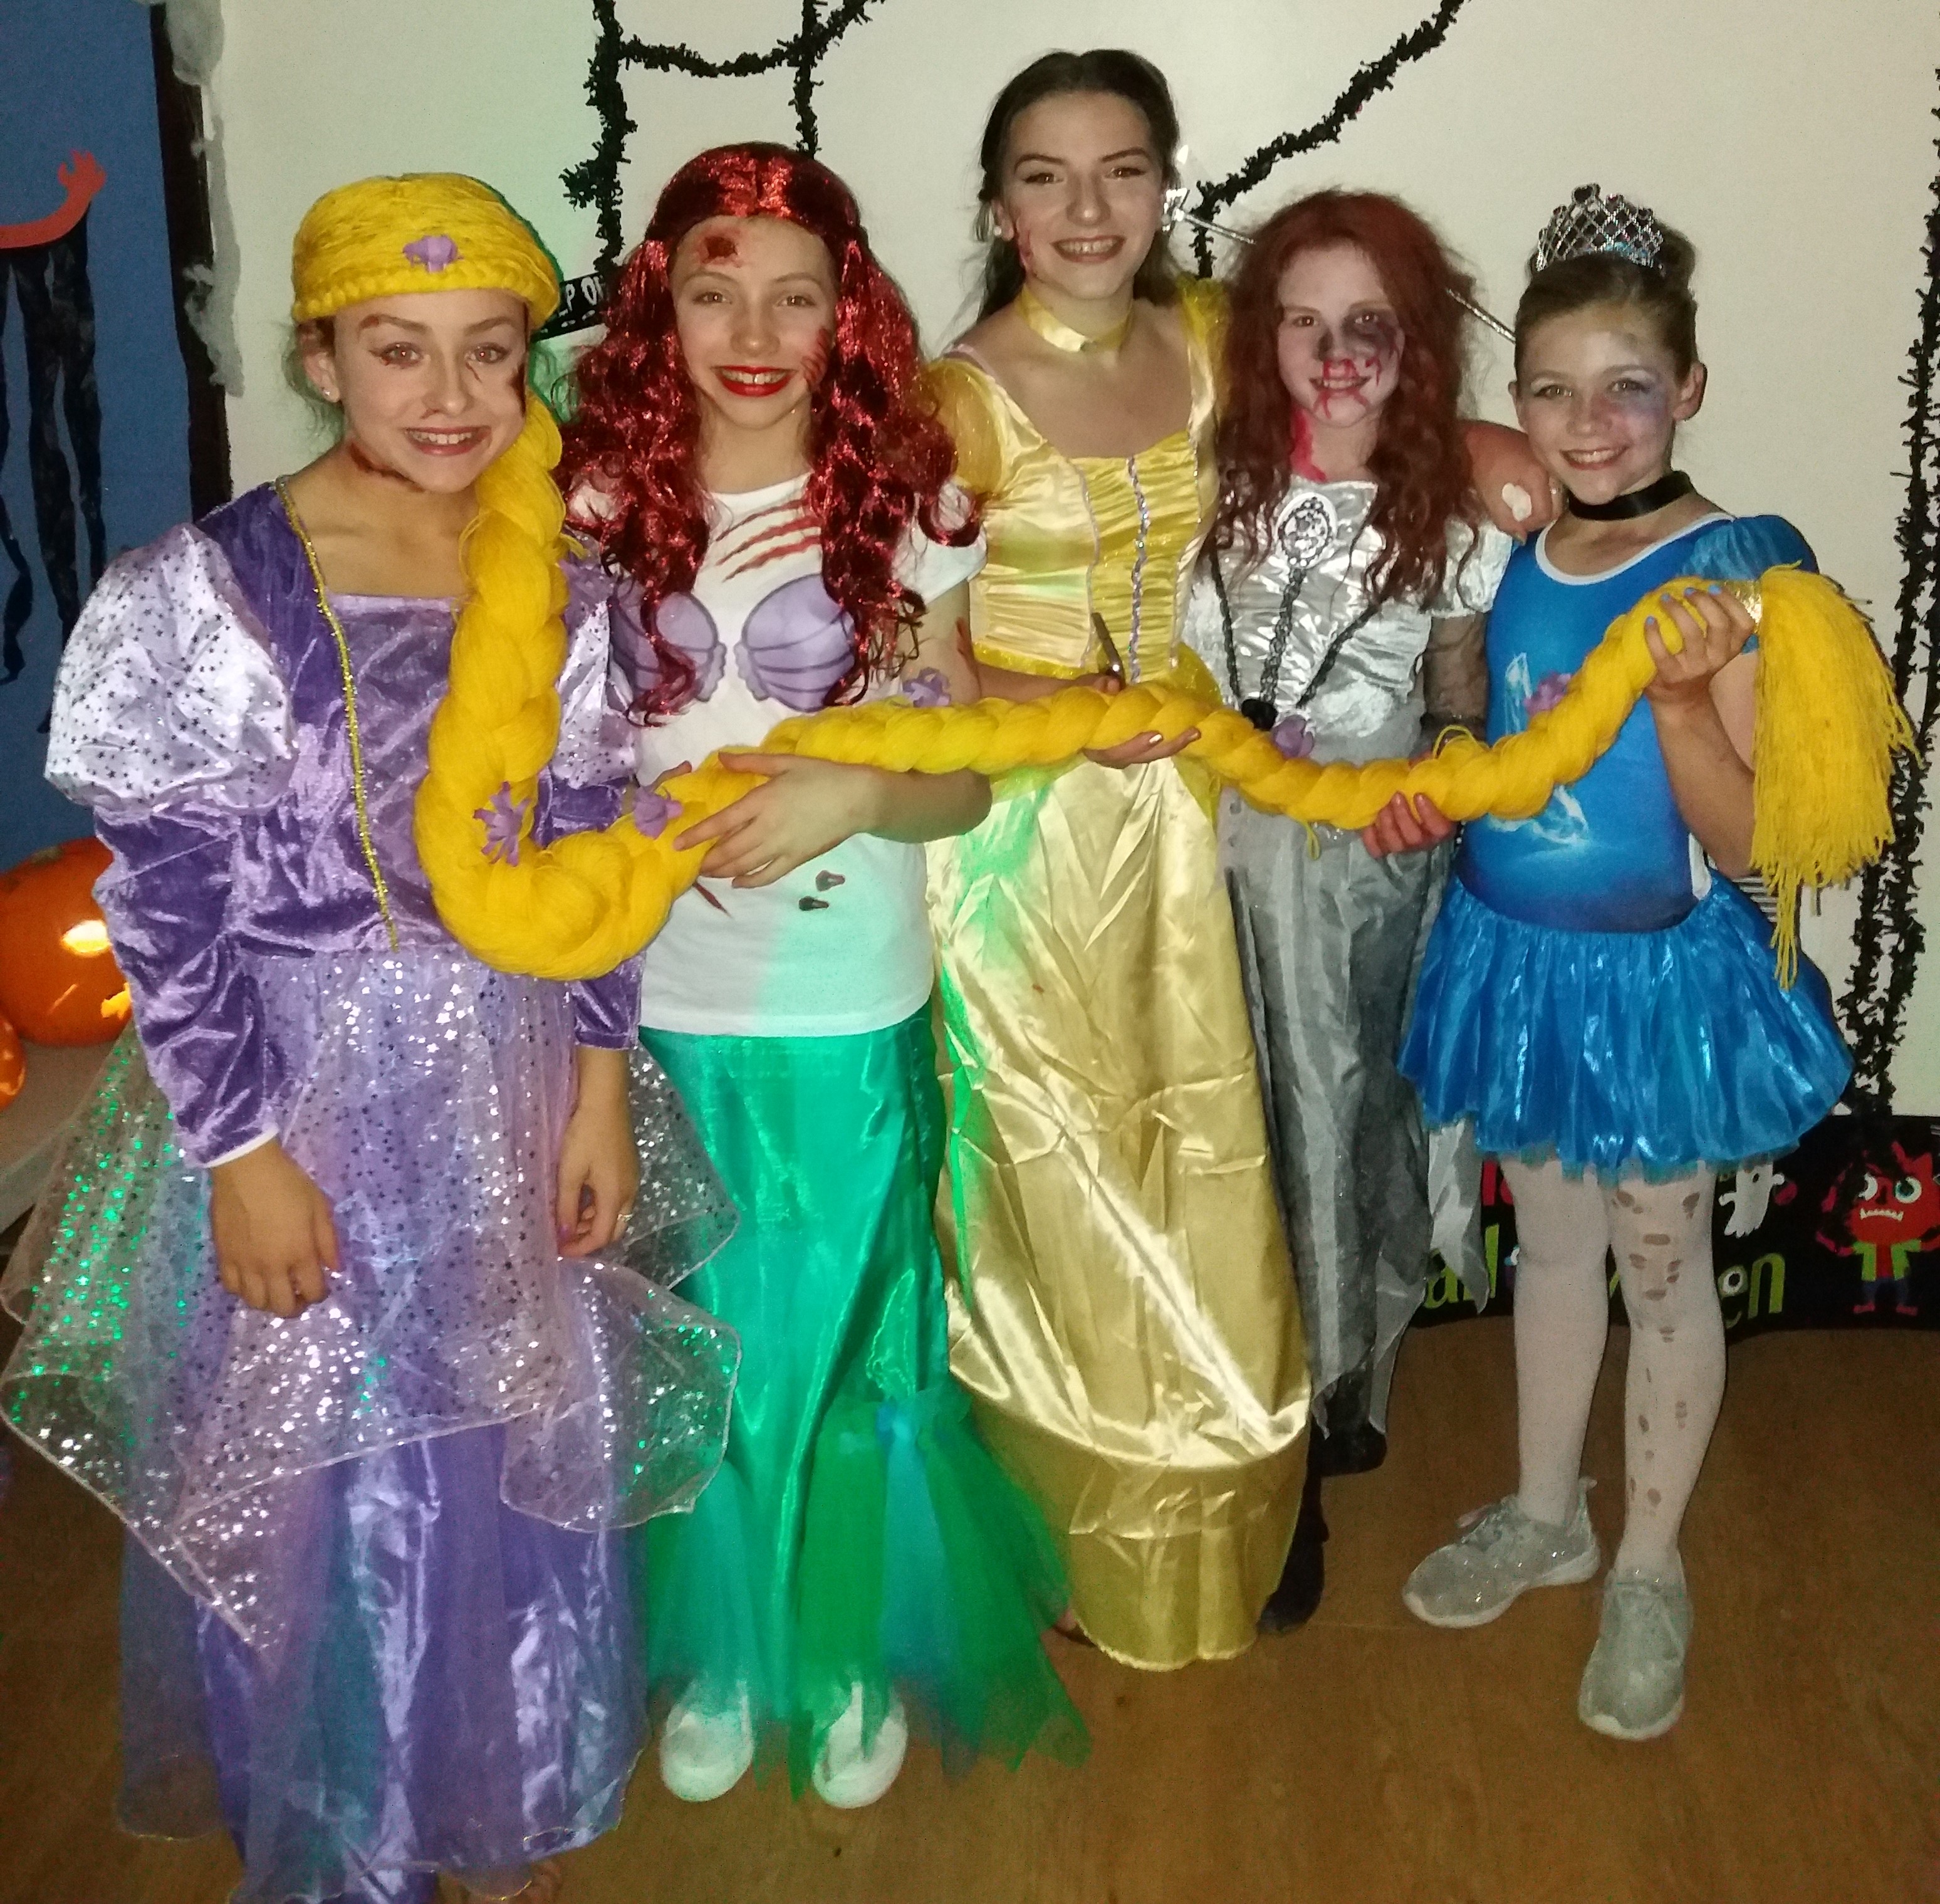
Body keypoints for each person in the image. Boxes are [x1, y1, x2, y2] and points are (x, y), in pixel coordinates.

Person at [0, 174, 738, 1904]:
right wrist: (243, 1155)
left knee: (499, 1451)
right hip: (297, 1089)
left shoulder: (555, 579)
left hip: (504, 1073)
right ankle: (347, 1824)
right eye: (399, 350)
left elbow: (590, 851)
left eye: (490, 351)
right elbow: (165, 906)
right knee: (319, 1472)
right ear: (322, 357)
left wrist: (597, 1085)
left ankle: (497, 1786)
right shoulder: (204, 591)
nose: (452, 394)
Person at [924, 48, 1552, 1666]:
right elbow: (912, 647)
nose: (1087, 208)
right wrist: (1064, 713)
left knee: (1245, 1153)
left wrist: (1494, 446)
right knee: (1072, 1183)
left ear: (1167, 186)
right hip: (1042, 839)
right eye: (1046, 176)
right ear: (998, 205)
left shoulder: (1211, 336)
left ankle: (1263, 1460)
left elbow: (1362, 388)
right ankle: (1070, 1504)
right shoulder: (952, 401)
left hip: (1214, 806)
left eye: (1123, 169)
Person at [561, 142, 1083, 1811]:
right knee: (700, 1323)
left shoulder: (908, 514)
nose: (754, 333)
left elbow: (966, 781)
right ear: (663, 307)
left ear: (846, 315)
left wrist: (856, 787)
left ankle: (846, 1638)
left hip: (851, 993)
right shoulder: (590, 513)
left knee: (858, 1319)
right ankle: (725, 1640)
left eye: (796, 298)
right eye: (717, 292)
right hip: (657, 1003)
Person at [1369, 186, 1854, 1740]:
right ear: (1518, 401)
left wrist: (1678, 699)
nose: (1588, 424)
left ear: (1689, 389)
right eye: (1553, 389)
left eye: (1627, 386)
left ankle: (1647, 1562)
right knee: (1554, 1249)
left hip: (1654, 988)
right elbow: (1472, 720)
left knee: (1661, 1267)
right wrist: (1431, 785)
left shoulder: (1733, 575)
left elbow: (1761, 841)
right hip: (1517, 968)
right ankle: (1544, 1512)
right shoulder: (1511, 539)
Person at [1183, 191, 1511, 1492]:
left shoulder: (1455, 514)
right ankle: (1231, 1374)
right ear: (1260, 336)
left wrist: (1442, 777)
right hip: (1199, 847)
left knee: (1339, 1102)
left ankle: (1335, 1383)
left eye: (1366, 323)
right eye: (1302, 322)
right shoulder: (1209, 481)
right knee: (1218, 1106)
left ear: (1412, 339)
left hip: (1360, 860)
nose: (1333, 356)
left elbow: (1457, 694)